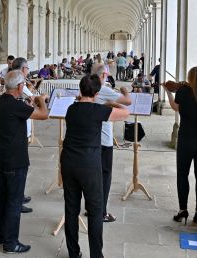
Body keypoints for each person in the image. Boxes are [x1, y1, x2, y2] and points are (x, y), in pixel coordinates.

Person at [61, 75, 129, 258]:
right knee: (95, 209)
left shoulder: (71, 109)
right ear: (97, 93)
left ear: (80, 90)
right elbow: (126, 111)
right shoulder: (98, 110)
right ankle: (96, 255)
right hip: (89, 164)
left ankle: (73, 253)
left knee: (71, 208)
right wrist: (110, 102)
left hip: (68, 161)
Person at [0, 70, 48, 254]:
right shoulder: (15, 105)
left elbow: (20, 114)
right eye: (23, 84)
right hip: (15, 160)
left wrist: (29, 103)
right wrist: (41, 100)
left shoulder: (2, 102)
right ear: (19, 87)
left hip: (2, 158)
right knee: (14, 202)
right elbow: (43, 115)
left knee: (2, 199)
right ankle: (10, 242)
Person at [163, 66, 197, 226]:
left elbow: (175, 107)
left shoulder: (183, 92)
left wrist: (168, 91)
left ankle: (183, 210)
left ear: (190, 78)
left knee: (182, 174)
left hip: (187, 136)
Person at [92, 64, 131, 222]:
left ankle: (92, 208)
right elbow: (127, 102)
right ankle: (101, 213)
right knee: (104, 176)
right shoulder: (103, 89)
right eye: (106, 76)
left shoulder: (89, 89)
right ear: (102, 76)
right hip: (104, 139)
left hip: (92, 139)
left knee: (94, 176)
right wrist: (124, 90)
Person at [11, 57, 36, 213]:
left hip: (21, 128)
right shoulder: (19, 85)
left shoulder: (20, 84)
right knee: (19, 169)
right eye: (27, 68)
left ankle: (19, 195)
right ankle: (17, 200)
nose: (28, 70)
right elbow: (32, 101)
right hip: (19, 131)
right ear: (21, 69)